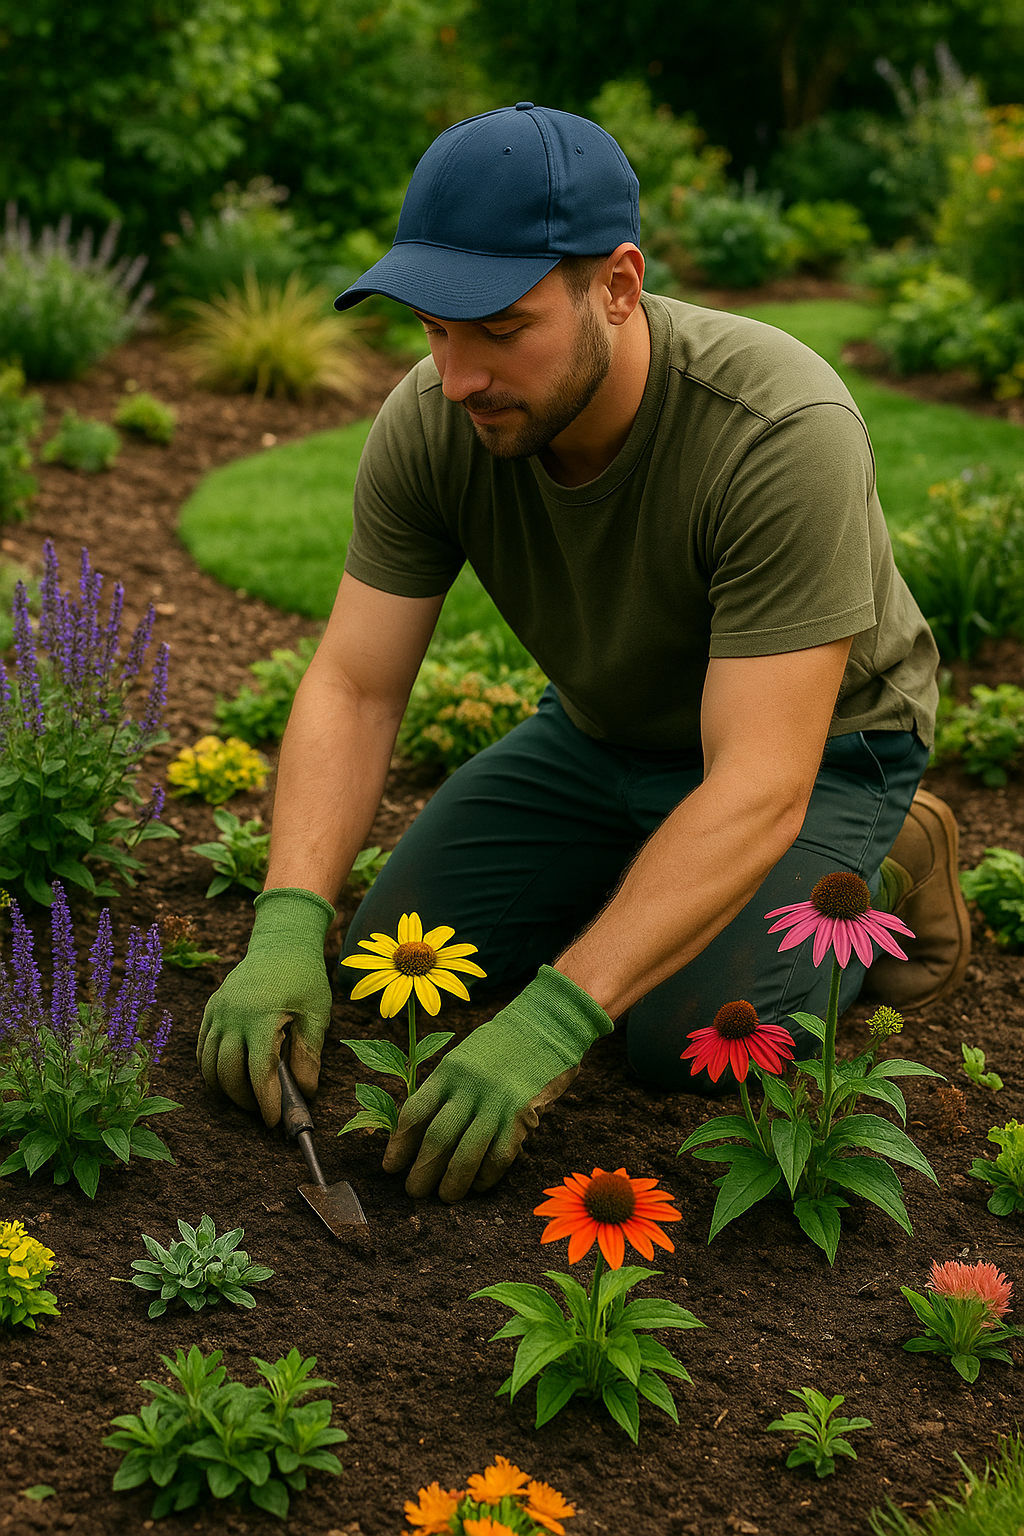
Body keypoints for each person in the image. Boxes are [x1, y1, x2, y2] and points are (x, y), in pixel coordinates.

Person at [197, 103, 970, 1203]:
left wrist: (553, 1024)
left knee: (687, 1043)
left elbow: (756, 781)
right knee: (395, 959)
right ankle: (655, 877)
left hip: (818, 752)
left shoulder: (776, 428)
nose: (457, 375)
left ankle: (893, 855)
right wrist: (283, 924)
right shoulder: (436, 420)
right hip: (602, 733)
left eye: (499, 328)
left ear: (615, 286)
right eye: (433, 328)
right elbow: (356, 685)